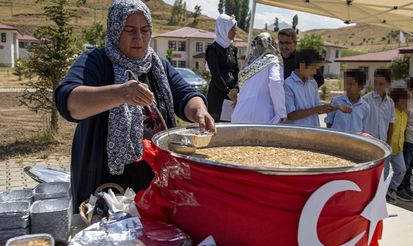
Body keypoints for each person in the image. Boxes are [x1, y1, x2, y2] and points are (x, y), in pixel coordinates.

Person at [54, 0, 215, 210]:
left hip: (155, 176)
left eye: (145, 30)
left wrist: (199, 112)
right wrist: (120, 93)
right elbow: (69, 102)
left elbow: (185, 95)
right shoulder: (96, 61)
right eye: (130, 30)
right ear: (115, 29)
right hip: (108, 183)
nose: (139, 38)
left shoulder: (158, 66)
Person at [231, 32, 286, 124]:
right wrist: (281, 113)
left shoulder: (248, 64)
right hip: (261, 115)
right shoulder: (273, 61)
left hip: (239, 114)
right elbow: (275, 82)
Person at [284, 48, 334, 128]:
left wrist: (333, 107)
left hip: (314, 131)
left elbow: (317, 107)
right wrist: (317, 109)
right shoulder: (288, 85)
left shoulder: (312, 83)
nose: (314, 72)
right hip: (297, 134)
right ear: (302, 65)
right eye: (313, 68)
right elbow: (291, 115)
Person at [205, 14, 239, 122]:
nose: (235, 32)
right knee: (218, 126)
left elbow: (236, 70)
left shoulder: (232, 48)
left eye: (235, 29)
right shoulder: (213, 49)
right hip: (218, 95)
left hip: (233, 94)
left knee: (231, 125)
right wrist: (229, 92)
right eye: (232, 29)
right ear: (223, 29)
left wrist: (236, 89)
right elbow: (216, 75)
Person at [325, 69, 370, 133]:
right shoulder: (336, 101)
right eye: (346, 84)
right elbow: (329, 122)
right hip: (337, 141)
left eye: (351, 84)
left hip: (353, 142)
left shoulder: (365, 107)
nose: (347, 87)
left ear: (361, 87)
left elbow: (364, 129)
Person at [398, 77, 413, 200]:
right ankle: (400, 188)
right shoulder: (408, 103)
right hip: (409, 140)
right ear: (411, 89)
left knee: (411, 166)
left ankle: (407, 188)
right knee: (404, 166)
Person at [386, 88, 408, 203]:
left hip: (398, 148)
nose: (406, 104)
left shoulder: (404, 114)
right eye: (403, 101)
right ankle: (382, 193)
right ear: (396, 101)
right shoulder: (391, 112)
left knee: (401, 170)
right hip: (387, 147)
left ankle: (392, 188)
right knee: (383, 173)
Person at [363, 69, 394, 144]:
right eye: (375, 83)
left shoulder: (390, 103)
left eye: (381, 84)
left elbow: (391, 124)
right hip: (367, 142)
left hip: (382, 144)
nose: (377, 86)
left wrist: (388, 143)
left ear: (388, 84)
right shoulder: (365, 100)